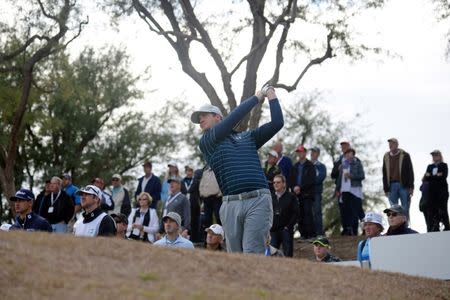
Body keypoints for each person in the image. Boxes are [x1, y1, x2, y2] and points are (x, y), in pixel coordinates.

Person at [191, 85, 283, 254]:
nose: (200, 120)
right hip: (230, 204)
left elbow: (277, 123)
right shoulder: (207, 141)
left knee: (252, 254)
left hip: (258, 200)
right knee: (235, 258)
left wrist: (271, 94)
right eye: (199, 118)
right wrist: (256, 97)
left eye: (204, 115)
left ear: (217, 117)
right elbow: (234, 117)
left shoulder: (248, 137)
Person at [335, 148, 365, 236]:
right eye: (346, 154)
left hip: (354, 190)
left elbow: (362, 176)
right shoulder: (343, 165)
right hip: (344, 190)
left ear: (353, 154)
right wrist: (337, 189)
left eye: (349, 153)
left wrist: (352, 176)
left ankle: (355, 230)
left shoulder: (358, 164)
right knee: (346, 211)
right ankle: (348, 230)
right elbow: (339, 178)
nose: (348, 155)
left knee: (355, 210)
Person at [382, 138, 414, 219]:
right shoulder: (386, 156)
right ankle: (395, 226)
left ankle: (405, 225)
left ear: (397, 145)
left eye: (392, 143)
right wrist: (386, 189)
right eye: (389, 144)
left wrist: (411, 187)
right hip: (391, 186)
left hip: (403, 184)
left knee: (405, 207)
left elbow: (410, 171)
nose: (390, 145)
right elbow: (384, 173)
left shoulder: (405, 155)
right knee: (393, 208)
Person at [288, 145, 316, 240]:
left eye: (301, 152)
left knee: (308, 214)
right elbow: (291, 179)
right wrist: (293, 187)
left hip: (307, 194)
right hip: (297, 194)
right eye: (298, 152)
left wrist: (300, 187)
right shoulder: (295, 166)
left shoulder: (310, 165)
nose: (300, 153)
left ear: (305, 153)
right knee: (300, 215)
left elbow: (311, 180)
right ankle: (303, 234)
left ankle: (311, 235)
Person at [270, 174, 299, 257]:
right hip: (273, 231)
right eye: (274, 182)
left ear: (284, 184)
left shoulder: (291, 197)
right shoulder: (270, 197)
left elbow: (296, 213)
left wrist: (288, 227)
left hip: (286, 230)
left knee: (288, 256)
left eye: (278, 182)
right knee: (271, 256)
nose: (275, 184)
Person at [423, 150, 449, 231]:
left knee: (443, 209)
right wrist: (436, 175)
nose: (434, 157)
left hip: (442, 191)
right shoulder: (429, 166)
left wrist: (431, 176)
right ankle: (435, 228)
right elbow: (426, 177)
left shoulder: (444, 165)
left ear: (440, 156)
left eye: (436, 155)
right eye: (433, 156)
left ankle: (447, 227)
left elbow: (444, 175)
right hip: (432, 192)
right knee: (433, 210)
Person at [331, 139, 352, 235]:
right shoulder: (338, 160)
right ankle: (345, 228)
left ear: (349, 147)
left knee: (351, 208)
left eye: (345, 146)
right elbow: (333, 175)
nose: (344, 148)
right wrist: (338, 169)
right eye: (342, 146)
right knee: (342, 208)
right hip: (340, 188)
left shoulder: (354, 159)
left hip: (351, 188)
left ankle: (352, 228)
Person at [310, 146, 326, 236]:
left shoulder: (321, 166)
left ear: (318, 154)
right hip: (306, 193)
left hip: (316, 192)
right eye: (311, 152)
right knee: (308, 213)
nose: (312, 153)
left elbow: (321, 177)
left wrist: (309, 182)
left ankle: (319, 233)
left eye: (314, 152)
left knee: (317, 212)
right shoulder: (307, 164)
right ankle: (310, 233)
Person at [184, 165, 201, 243]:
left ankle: (194, 239)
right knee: (186, 221)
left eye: (191, 171)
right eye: (188, 171)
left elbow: (199, 193)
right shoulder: (182, 181)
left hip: (194, 204)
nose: (189, 172)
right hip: (184, 205)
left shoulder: (196, 181)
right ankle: (185, 238)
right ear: (186, 172)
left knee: (194, 221)